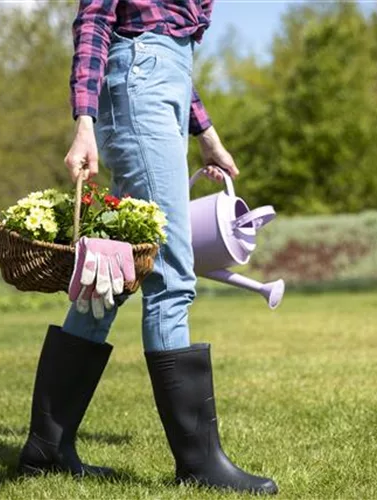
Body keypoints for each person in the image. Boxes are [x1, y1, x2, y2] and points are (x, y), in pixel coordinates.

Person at [16, 0, 278, 495]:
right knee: (171, 276)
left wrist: (207, 133)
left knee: (110, 278)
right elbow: (97, 20)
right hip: (141, 82)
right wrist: (84, 122)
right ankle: (200, 464)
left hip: (165, 79)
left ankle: (46, 447)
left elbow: (164, 39)